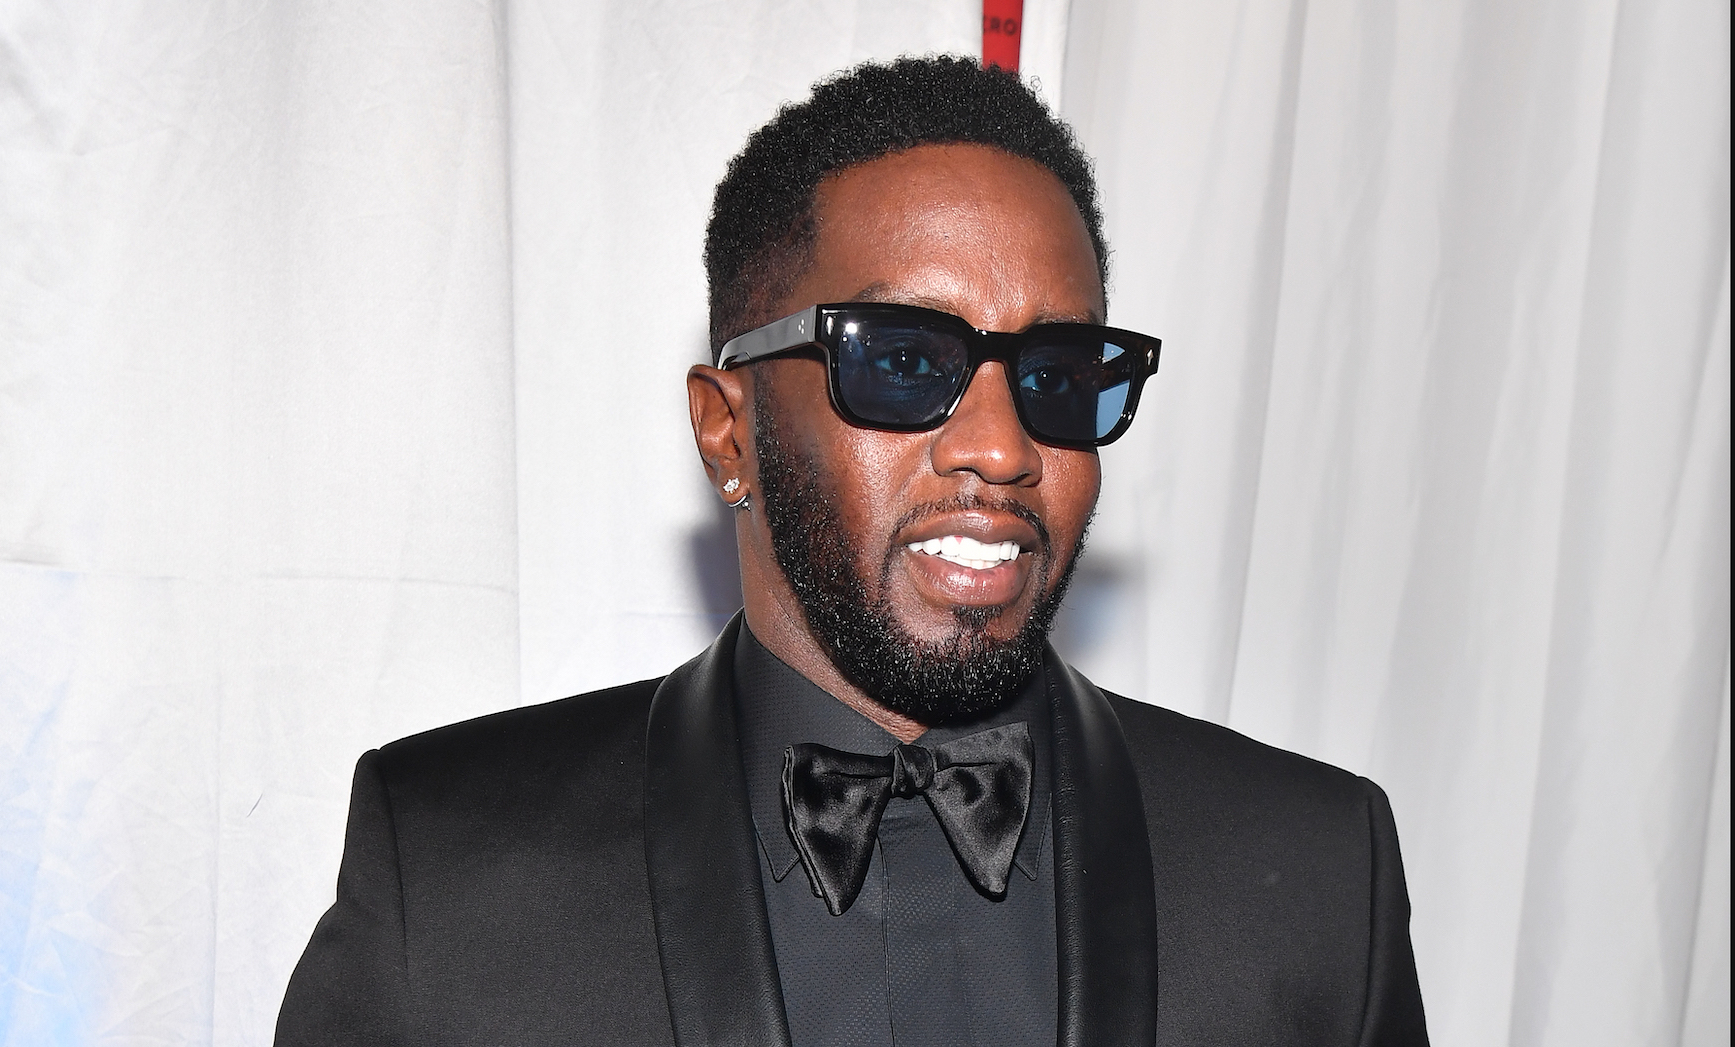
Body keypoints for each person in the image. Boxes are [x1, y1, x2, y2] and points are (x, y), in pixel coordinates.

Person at [275, 56, 1429, 1047]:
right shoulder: (448, 874)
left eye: (1059, 375)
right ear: (728, 430)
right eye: (906, 362)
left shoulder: (1319, 877)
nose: (1001, 448)